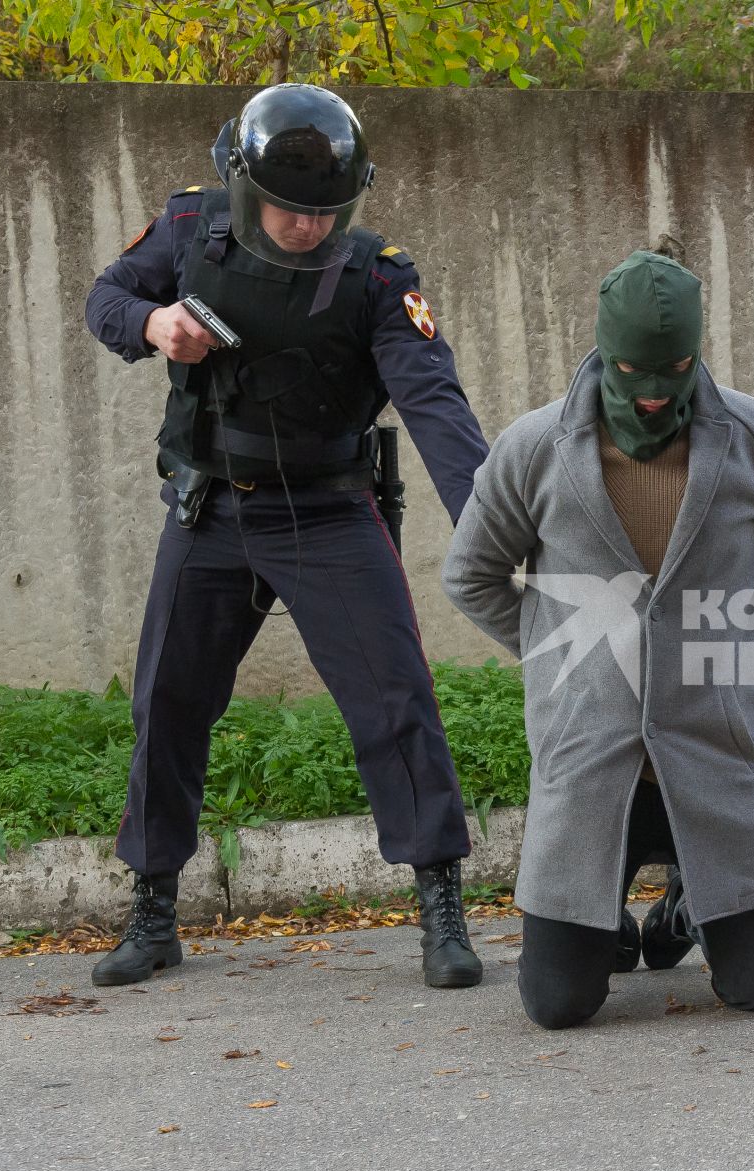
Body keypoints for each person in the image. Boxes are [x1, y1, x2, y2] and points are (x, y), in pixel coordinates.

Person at [83, 83, 490, 991]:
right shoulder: (191, 228)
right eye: (286, 208)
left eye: (323, 213)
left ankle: (442, 912)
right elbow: (107, 299)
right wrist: (153, 323)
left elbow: (435, 405)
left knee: (396, 703)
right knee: (168, 706)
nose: (305, 227)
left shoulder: (380, 274)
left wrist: (492, 524)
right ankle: (153, 912)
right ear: (240, 182)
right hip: (212, 511)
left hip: (331, 514)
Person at [441, 251, 754, 1028]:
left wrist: (728, 655)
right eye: (632, 370)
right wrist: (564, 656)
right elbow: (472, 576)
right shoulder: (534, 447)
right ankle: (607, 918)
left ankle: (694, 898)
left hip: (716, 752)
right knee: (557, 1006)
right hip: (592, 759)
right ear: (601, 349)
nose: (654, 395)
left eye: (676, 369)